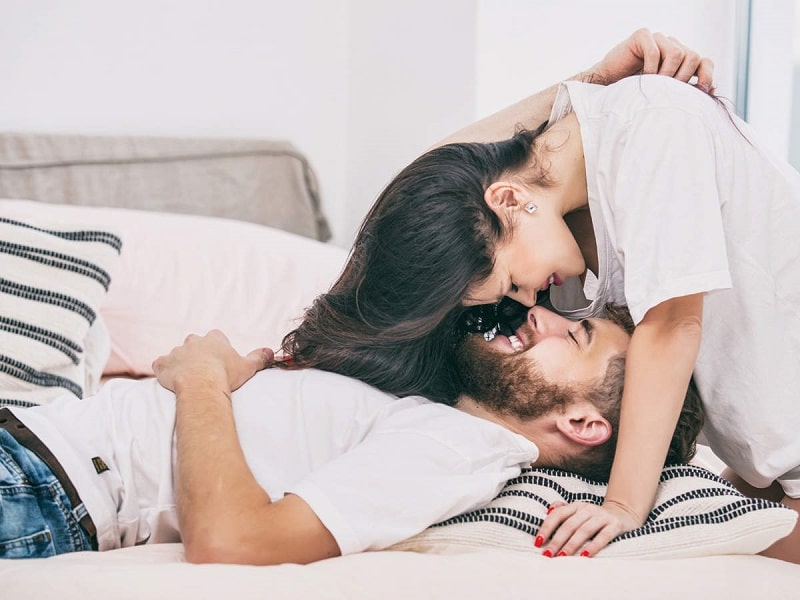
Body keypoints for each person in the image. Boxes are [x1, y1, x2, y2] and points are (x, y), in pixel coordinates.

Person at [283, 31, 800, 562]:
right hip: (769, 457)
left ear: (508, 199)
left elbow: (672, 326)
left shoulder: (658, 127)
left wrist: (623, 506)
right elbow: (432, 177)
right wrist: (591, 78)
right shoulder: (555, 210)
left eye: (511, 285)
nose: (527, 303)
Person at [0, 304, 703, 562]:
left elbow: (235, 542)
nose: (539, 315)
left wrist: (203, 382)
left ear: (584, 422)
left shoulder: (457, 453)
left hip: (40, 487)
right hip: (33, 449)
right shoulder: (441, 412)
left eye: (573, 334)